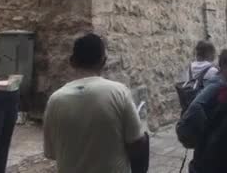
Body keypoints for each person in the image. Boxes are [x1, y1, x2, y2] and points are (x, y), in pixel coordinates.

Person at [43, 34, 148, 173]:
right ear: (103, 61)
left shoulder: (54, 100)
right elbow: (137, 143)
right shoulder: (119, 92)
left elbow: (51, 153)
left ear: (72, 61)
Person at [176, 49, 227, 173]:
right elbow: (196, 106)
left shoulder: (224, 81)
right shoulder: (218, 83)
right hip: (205, 141)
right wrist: (209, 131)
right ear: (224, 66)